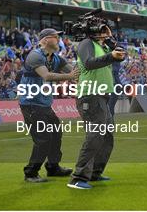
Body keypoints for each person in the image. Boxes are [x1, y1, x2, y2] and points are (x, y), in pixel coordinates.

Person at [68, 26, 126, 189]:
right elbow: (88, 63)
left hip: (101, 97)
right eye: (103, 30)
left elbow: (119, 54)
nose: (106, 32)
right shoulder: (86, 43)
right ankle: (78, 177)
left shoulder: (103, 46)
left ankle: (94, 172)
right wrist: (110, 56)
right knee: (95, 135)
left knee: (106, 136)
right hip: (90, 95)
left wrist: (111, 42)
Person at [18, 28, 78, 183]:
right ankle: (31, 173)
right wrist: (70, 76)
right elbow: (47, 75)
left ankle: (53, 167)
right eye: (55, 37)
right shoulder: (35, 55)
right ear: (44, 40)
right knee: (43, 138)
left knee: (56, 132)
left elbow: (75, 72)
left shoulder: (56, 58)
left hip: (44, 104)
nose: (59, 39)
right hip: (31, 103)